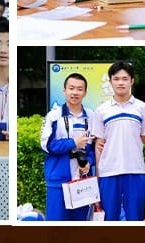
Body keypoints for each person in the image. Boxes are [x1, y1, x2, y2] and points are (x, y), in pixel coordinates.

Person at [92, 61, 145, 221]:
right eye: (116, 78)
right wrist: (98, 175)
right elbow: (99, 144)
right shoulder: (101, 110)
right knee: (110, 217)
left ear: (132, 81)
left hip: (135, 170)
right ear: (110, 81)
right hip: (108, 172)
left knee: (135, 217)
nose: (120, 82)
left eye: (125, 78)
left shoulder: (142, 108)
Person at [40, 72, 97, 221]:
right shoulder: (53, 116)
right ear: (64, 90)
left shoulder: (92, 116)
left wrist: (89, 162)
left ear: (85, 92)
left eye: (79, 89)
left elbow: (95, 147)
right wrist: (73, 143)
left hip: (82, 180)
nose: (75, 92)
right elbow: (46, 145)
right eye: (71, 88)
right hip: (59, 179)